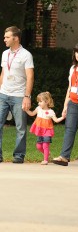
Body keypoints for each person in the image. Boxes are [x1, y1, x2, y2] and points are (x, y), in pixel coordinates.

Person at [0, 26, 34, 164]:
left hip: (19, 96)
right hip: (3, 94)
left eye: (7, 37)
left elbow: (30, 76)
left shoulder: (26, 55)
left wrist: (27, 96)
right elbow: (3, 73)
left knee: (20, 127)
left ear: (16, 38)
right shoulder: (4, 54)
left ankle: (19, 155)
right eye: (4, 37)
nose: (4, 39)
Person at [26, 92, 65, 165]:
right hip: (40, 131)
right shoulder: (38, 109)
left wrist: (63, 117)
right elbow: (32, 114)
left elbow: (56, 120)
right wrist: (26, 110)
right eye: (38, 102)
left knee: (45, 145)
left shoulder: (50, 112)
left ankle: (45, 160)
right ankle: (47, 153)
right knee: (38, 146)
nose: (38, 103)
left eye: (40, 101)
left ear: (46, 102)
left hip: (47, 131)